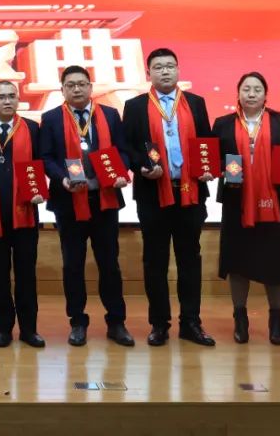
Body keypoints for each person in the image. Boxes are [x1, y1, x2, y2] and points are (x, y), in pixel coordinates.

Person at [121, 48, 216, 347]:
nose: (165, 71)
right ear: (148, 72)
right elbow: (128, 147)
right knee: (155, 261)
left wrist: (208, 168)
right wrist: (141, 166)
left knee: (190, 259)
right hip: (152, 194)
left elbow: (206, 142)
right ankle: (159, 324)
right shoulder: (135, 106)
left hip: (190, 193)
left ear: (178, 70)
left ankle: (191, 322)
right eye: (159, 67)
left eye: (170, 66)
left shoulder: (196, 103)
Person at [39, 66, 135, 347]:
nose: (77, 89)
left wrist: (121, 171)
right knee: (73, 264)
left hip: (104, 201)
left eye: (82, 84)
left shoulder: (110, 115)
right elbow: (46, 157)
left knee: (109, 264)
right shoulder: (51, 118)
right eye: (70, 85)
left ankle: (116, 322)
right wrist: (62, 178)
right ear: (62, 90)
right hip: (68, 202)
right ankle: (78, 322)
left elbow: (123, 151)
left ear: (91, 87)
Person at [212, 72, 280, 345]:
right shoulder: (223, 123)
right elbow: (213, 160)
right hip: (236, 201)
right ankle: (240, 317)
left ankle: (276, 318)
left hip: (272, 201)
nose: (251, 94)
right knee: (237, 261)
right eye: (246, 89)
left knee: (274, 261)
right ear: (238, 93)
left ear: (265, 94)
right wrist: (217, 169)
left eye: (257, 89)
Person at [0, 80, 45, 348]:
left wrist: (39, 190)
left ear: (18, 100)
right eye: (1, 97)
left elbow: (40, 164)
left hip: (25, 211)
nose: (7, 101)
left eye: (12, 96)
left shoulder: (33, 128)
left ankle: (29, 329)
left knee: (26, 273)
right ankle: (3, 328)